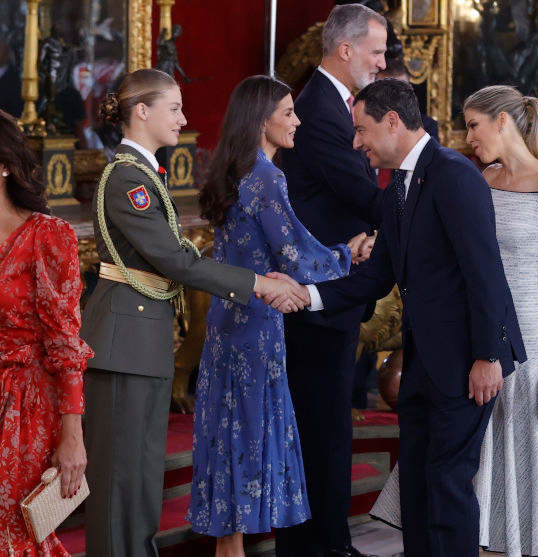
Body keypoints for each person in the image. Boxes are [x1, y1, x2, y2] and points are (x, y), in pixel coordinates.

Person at [266, 78, 526, 556]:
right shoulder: (397, 189)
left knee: (447, 489)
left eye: (361, 129)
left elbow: (485, 272)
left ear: (392, 122)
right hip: (425, 366)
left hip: (467, 364)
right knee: (420, 493)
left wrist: (488, 355)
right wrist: (306, 294)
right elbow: (374, 278)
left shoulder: (453, 175)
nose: (356, 142)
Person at [79, 68, 302, 557]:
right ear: (143, 111)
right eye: (174, 107)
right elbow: (176, 261)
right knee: (121, 486)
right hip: (124, 348)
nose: (184, 118)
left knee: (138, 484)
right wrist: (258, 284)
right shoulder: (127, 180)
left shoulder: (142, 175)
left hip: (141, 343)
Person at [188, 76, 366, 555]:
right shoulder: (267, 175)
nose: (297, 120)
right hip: (256, 324)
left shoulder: (234, 169)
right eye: (288, 112)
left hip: (226, 322)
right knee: (247, 437)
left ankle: (230, 548)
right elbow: (294, 253)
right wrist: (347, 256)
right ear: (262, 118)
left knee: (227, 437)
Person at [457, 85, 538, 556]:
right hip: (482, 325)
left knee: (530, 430)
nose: (468, 135)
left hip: (534, 328)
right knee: (485, 424)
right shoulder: (480, 180)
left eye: (474, 124)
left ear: (503, 122)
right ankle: (487, 533)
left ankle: (529, 538)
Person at [277, 6, 384, 554]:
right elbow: (357, 191)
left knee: (329, 426)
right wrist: (415, 209)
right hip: (313, 296)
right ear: (345, 50)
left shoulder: (334, 105)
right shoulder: (320, 110)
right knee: (320, 429)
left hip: (333, 290)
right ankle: (321, 545)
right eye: (376, 52)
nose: (382, 62)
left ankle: (329, 541)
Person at [0, 110, 92, 555]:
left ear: (3, 166)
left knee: (15, 531)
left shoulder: (48, 236)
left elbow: (65, 343)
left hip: (24, 406)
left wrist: (71, 434)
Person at [376, 56, 440, 139]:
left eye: (400, 90)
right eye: (387, 91)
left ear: (410, 90)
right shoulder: (363, 125)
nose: (395, 97)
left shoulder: (428, 127)